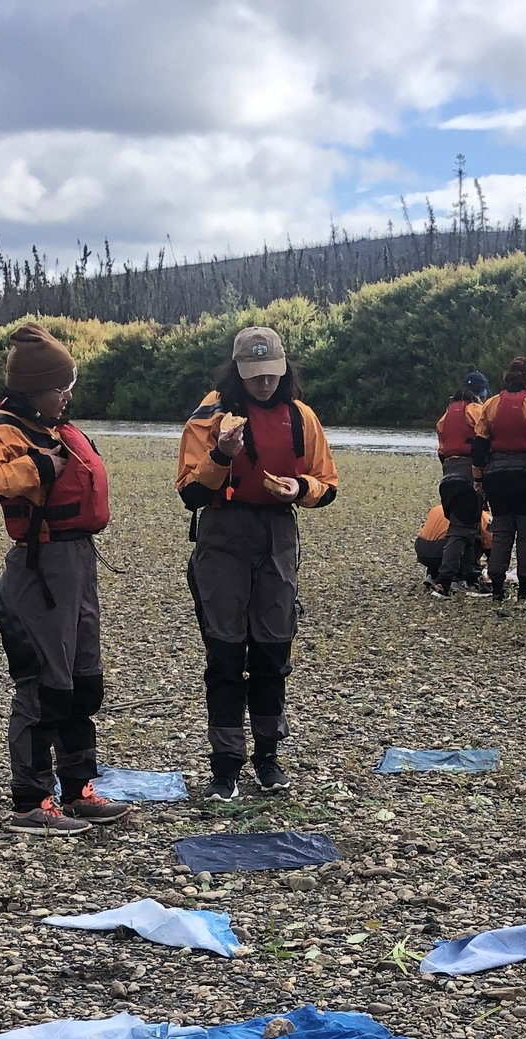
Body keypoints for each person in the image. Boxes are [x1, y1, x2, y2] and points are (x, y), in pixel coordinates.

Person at [0, 321, 132, 836]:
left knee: (83, 682)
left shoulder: (57, 428)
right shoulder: (0, 430)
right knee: (44, 684)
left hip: (78, 563)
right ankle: (31, 800)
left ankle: (78, 788)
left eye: (68, 388)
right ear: (34, 389)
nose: (66, 397)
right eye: (61, 389)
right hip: (39, 569)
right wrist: (34, 468)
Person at [176, 325, 339, 798]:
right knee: (225, 652)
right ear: (238, 372)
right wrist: (221, 455)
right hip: (222, 533)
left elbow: (326, 483)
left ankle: (268, 756)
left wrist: (301, 489)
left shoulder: (301, 417)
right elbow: (190, 493)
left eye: (271, 375)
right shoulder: (210, 418)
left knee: (272, 650)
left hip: (277, 535)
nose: (264, 384)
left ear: (284, 369)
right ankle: (225, 764)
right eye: (254, 376)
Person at [470, 357, 526, 605]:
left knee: (503, 531)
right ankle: (525, 588)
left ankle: (497, 587)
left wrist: (478, 478)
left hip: (497, 478)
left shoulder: (490, 405)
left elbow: (479, 446)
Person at [428, 369, 488, 596]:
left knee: (471, 526)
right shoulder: (476, 410)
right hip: (468, 474)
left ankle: (470, 576)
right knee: (461, 530)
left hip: (448, 475)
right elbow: (484, 438)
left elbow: (442, 451)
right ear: (480, 392)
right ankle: (445, 580)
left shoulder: (445, 416)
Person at [414, 501, 490, 588]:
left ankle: (433, 575)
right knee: (469, 539)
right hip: (443, 551)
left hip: (421, 549)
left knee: (452, 538)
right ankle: (460, 579)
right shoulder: (479, 514)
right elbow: (491, 542)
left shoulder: (437, 509)